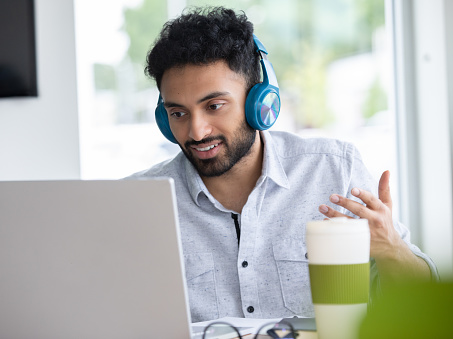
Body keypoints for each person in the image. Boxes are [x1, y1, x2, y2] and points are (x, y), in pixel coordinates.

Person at [126, 6, 438, 322]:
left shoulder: (334, 169)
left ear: (259, 101)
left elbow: (421, 301)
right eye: (178, 113)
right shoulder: (138, 201)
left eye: (214, 106)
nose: (196, 131)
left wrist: (391, 249)